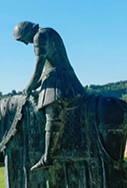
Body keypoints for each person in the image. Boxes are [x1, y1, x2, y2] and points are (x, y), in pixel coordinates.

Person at [13, 21, 86, 170]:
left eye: (23, 40)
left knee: (52, 111)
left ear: (28, 32)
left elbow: (40, 67)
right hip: (54, 76)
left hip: (59, 79)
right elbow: (44, 71)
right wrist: (34, 86)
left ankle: (47, 157)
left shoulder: (40, 36)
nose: (25, 44)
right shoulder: (46, 32)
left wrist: (29, 87)